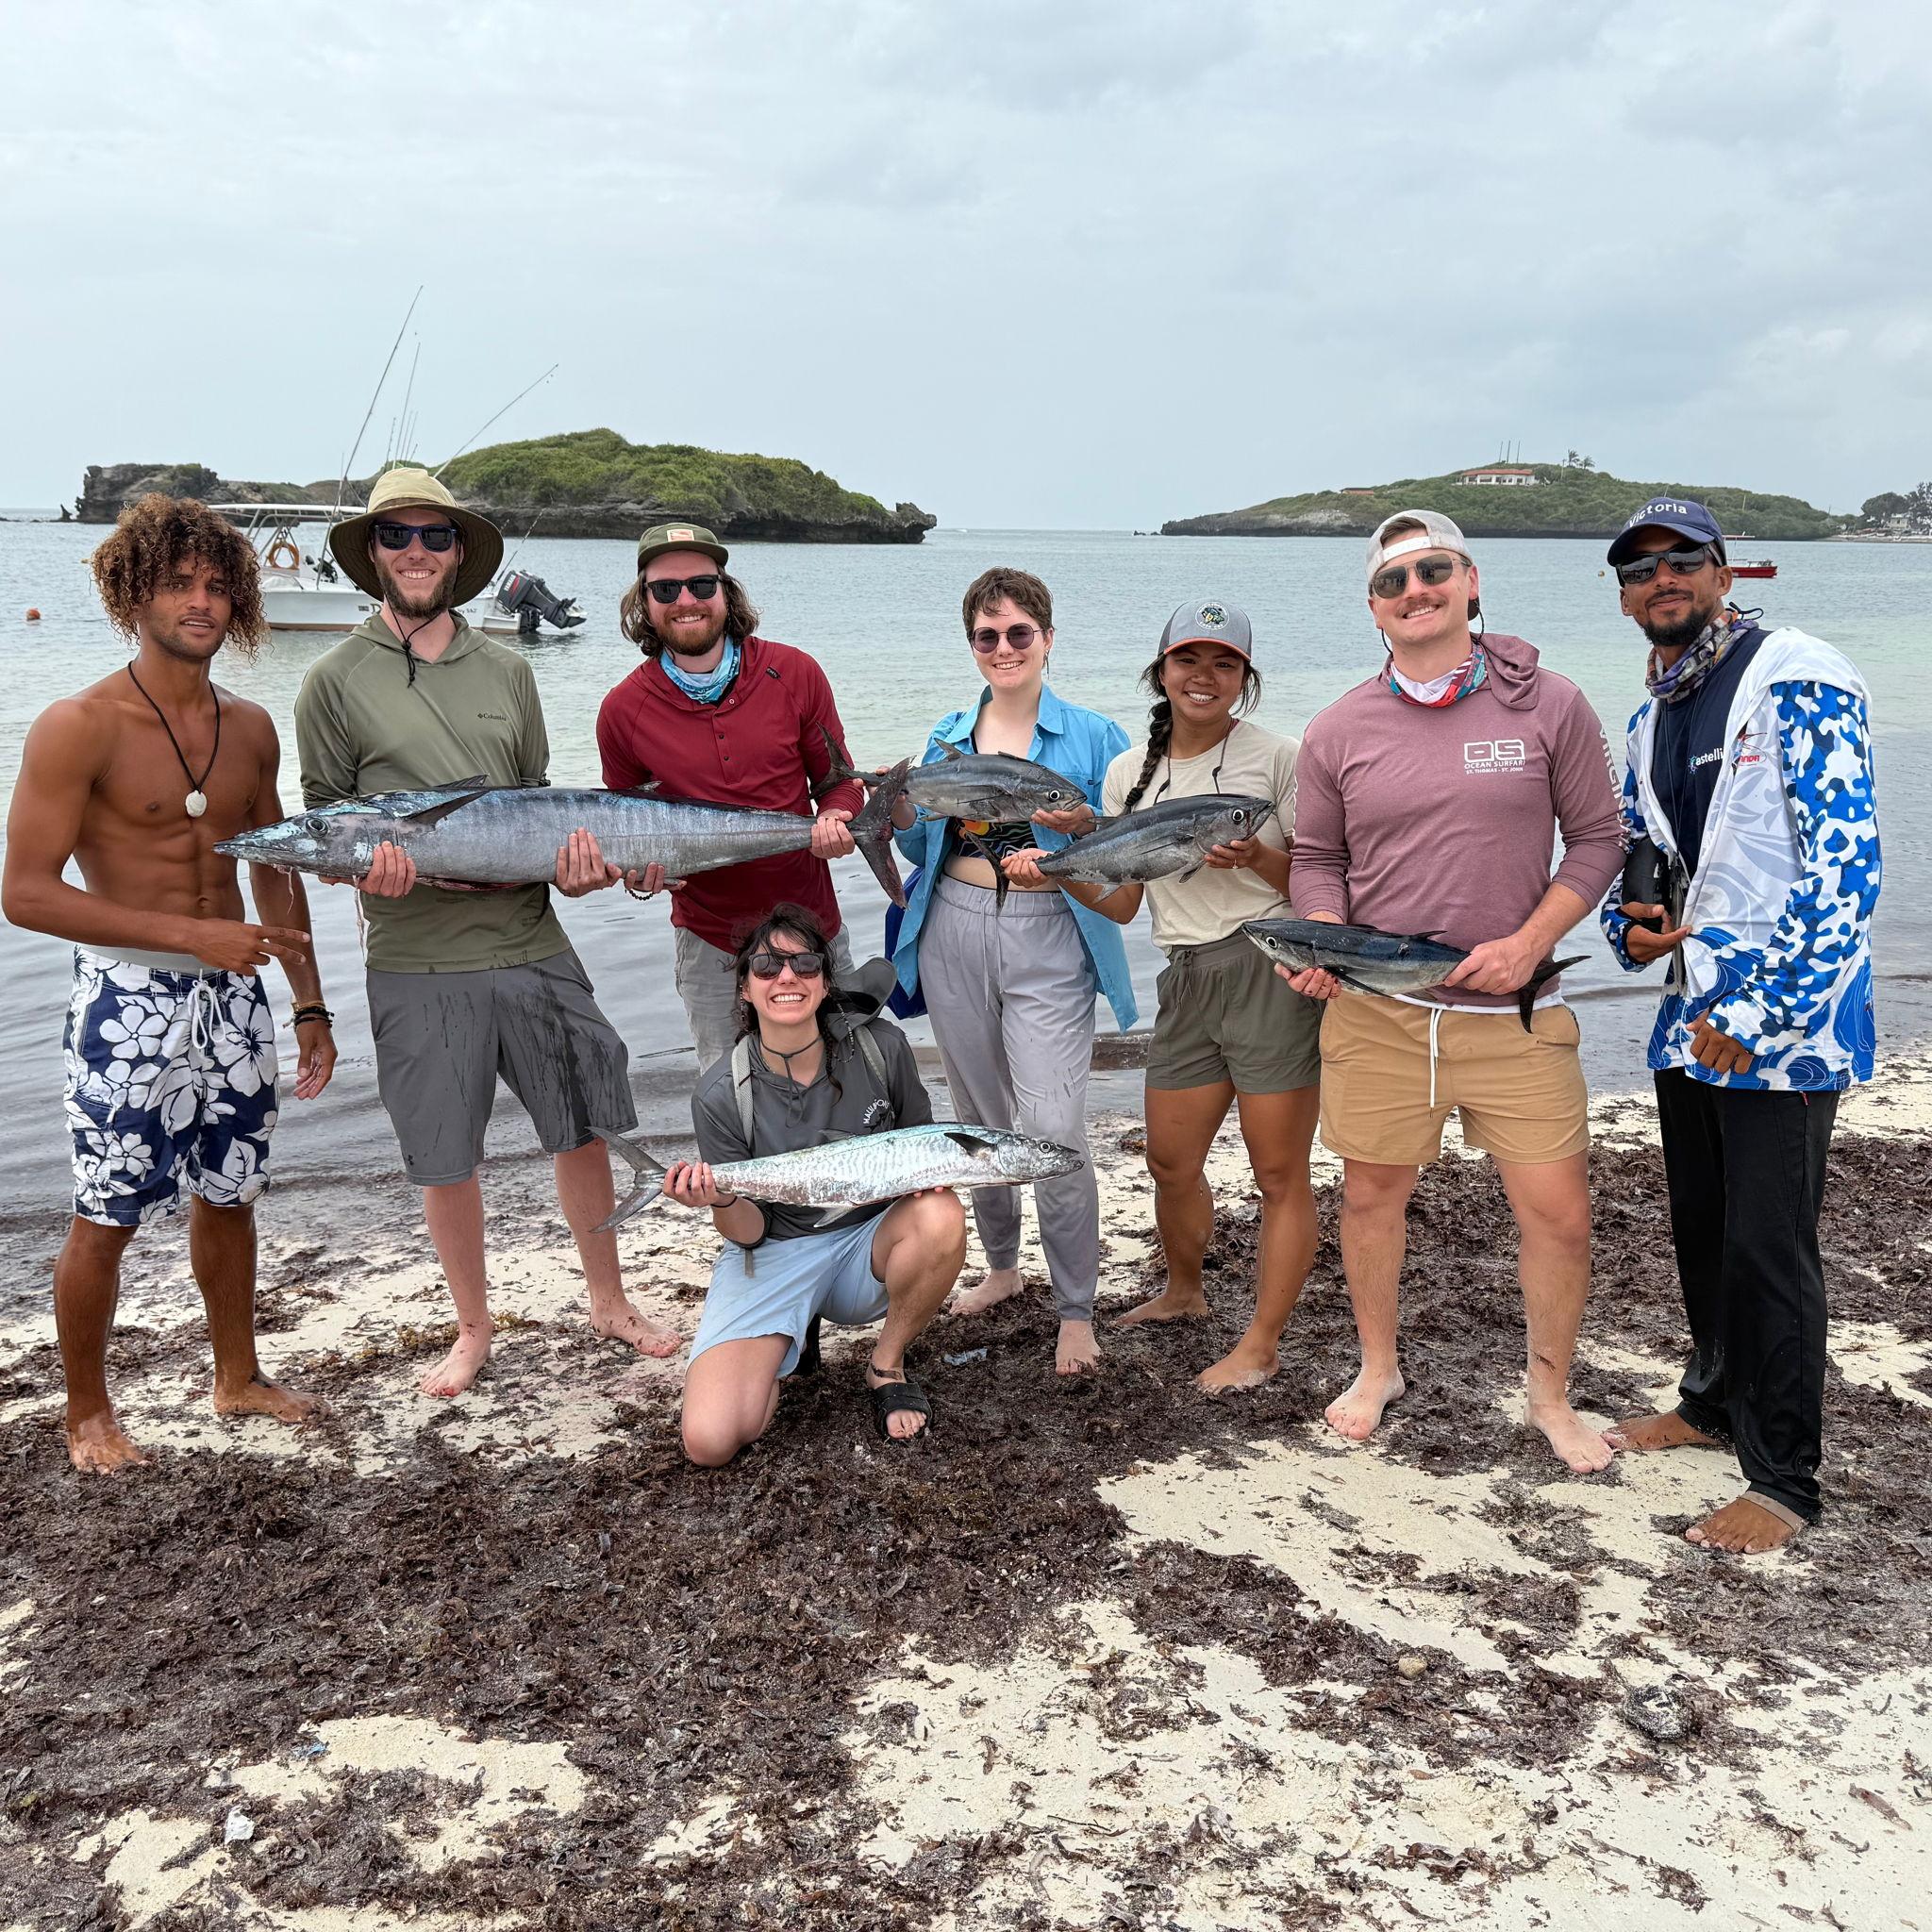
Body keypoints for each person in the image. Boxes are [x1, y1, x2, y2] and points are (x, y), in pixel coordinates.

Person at [293, 467, 676, 1397]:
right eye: (397, 537)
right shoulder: (330, 682)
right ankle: (472, 1326)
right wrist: (362, 868)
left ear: (459, 553)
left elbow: (536, 813)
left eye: (434, 536)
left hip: (529, 939)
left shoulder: (509, 668)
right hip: (413, 955)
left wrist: (591, 872)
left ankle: (609, 1299)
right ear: (372, 553)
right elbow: (320, 830)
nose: (416, 552)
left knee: (581, 1118)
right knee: (442, 1149)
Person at [1280, 512, 1625, 1473]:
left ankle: (1549, 1391)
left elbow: (1597, 838)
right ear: (1372, 608)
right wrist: (1320, 942)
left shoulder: (1548, 703)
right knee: (1369, 1195)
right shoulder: (1337, 726)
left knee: (1556, 1210)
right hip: (1377, 1016)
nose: (1414, 590)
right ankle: (1377, 1365)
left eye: (1432, 570)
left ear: (1470, 581)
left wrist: (1528, 943)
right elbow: (1318, 856)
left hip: (1515, 1009)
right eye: (1393, 581)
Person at [2, 494, 338, 1473]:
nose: (203, 602)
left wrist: (309, 1002)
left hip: (237, 1000)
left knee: (231, 1196)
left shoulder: (252, 726)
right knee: (105, 1210)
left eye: (218, 584)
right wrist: (188, 931)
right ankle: (87, 1412)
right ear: (130, 593)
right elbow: (24, 892)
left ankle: (236, 1376)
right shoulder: (79, 724)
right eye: (180, 584)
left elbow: (275, 864)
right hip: (128, 1000)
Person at [1597, 496, 1880, 1554]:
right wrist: (1632, 929)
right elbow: (1645, 848)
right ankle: (1712, 1399)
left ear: (1724, 573)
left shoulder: (1795, 672)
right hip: (1688, 1014)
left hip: (1786, 1022)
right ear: (1623, 596)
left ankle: (1784, 1478)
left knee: (1770, 1247)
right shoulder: (1649, 713)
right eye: (1637, 568)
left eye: (1681, 560)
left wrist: (1759, 1012)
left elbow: (1847, 869)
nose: (1659, 578)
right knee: (1703, 1228)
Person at [1007, 598, 1321, 1394]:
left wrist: (1254, 858)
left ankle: (1262, 1341)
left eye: (1223, 663)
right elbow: (1123, 901)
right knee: (1171, 1161)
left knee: (1279, 1174)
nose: (1203, 677)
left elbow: (1319, 887)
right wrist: (1055, 868)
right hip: (1183, 978)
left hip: (1268, 969)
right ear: (1162, 672)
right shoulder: (1125, 773)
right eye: (1188, 660)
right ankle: (1184, 1293)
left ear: (1244, 679)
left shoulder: (1281, 758)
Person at [884, 567, 1134, 1376]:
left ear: (1048, 639)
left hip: (1052, 934)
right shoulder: (946, 737)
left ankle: (1075, 1308)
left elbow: (1130, 850)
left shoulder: (1096, 738)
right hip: (951, 928)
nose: (1003, 648)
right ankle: (1000, 1266)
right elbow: (921, 849)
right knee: (980, 1119)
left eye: (1019, 633)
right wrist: (904, 813)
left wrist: (1075, 837)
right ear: (972, 646)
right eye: (987, 636)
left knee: (1053, 1125)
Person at [661, 907, 967, 1464]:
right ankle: (792, 1333)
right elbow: (749, 1234)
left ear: (826, 981)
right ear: (745, 989)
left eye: (804, 963)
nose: (786, 977)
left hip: (865, 1241)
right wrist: (721, 1197)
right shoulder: (720, 1093)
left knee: (940, 1212)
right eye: (766, 966)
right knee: (711, 1442)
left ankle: (887, 1364)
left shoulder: (881, 1048)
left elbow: (924, 1149)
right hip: (775, 1251)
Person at [595, 523, 869, 1074]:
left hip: (813, 929)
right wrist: (637, 878)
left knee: (843, 1085)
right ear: (644, 604)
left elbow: (839, 781)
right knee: (731, 1093)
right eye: (665, 590)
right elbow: (625, 828)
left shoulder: (796, 672)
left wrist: (839, 816)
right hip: (710, 942)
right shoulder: (622, 710)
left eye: (701, 584)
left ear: (726, 590)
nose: (686, 601)